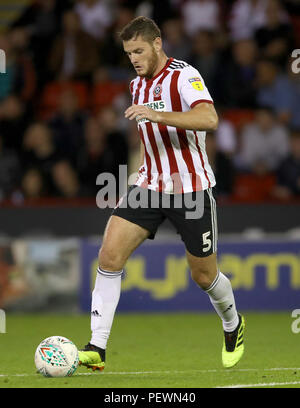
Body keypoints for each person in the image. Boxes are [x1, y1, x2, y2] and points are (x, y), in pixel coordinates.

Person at [78, 16, 245, 371]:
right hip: (149, 186)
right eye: (127, 53)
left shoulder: (185, 75)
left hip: (191, 188)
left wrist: (157, 115)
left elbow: (209, 118)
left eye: (138, 50)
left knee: (203, 276)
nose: (134, 59)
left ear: (157, 44)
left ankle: (232, 324)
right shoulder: (136, 85)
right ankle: (97, 347)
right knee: (108, 257)